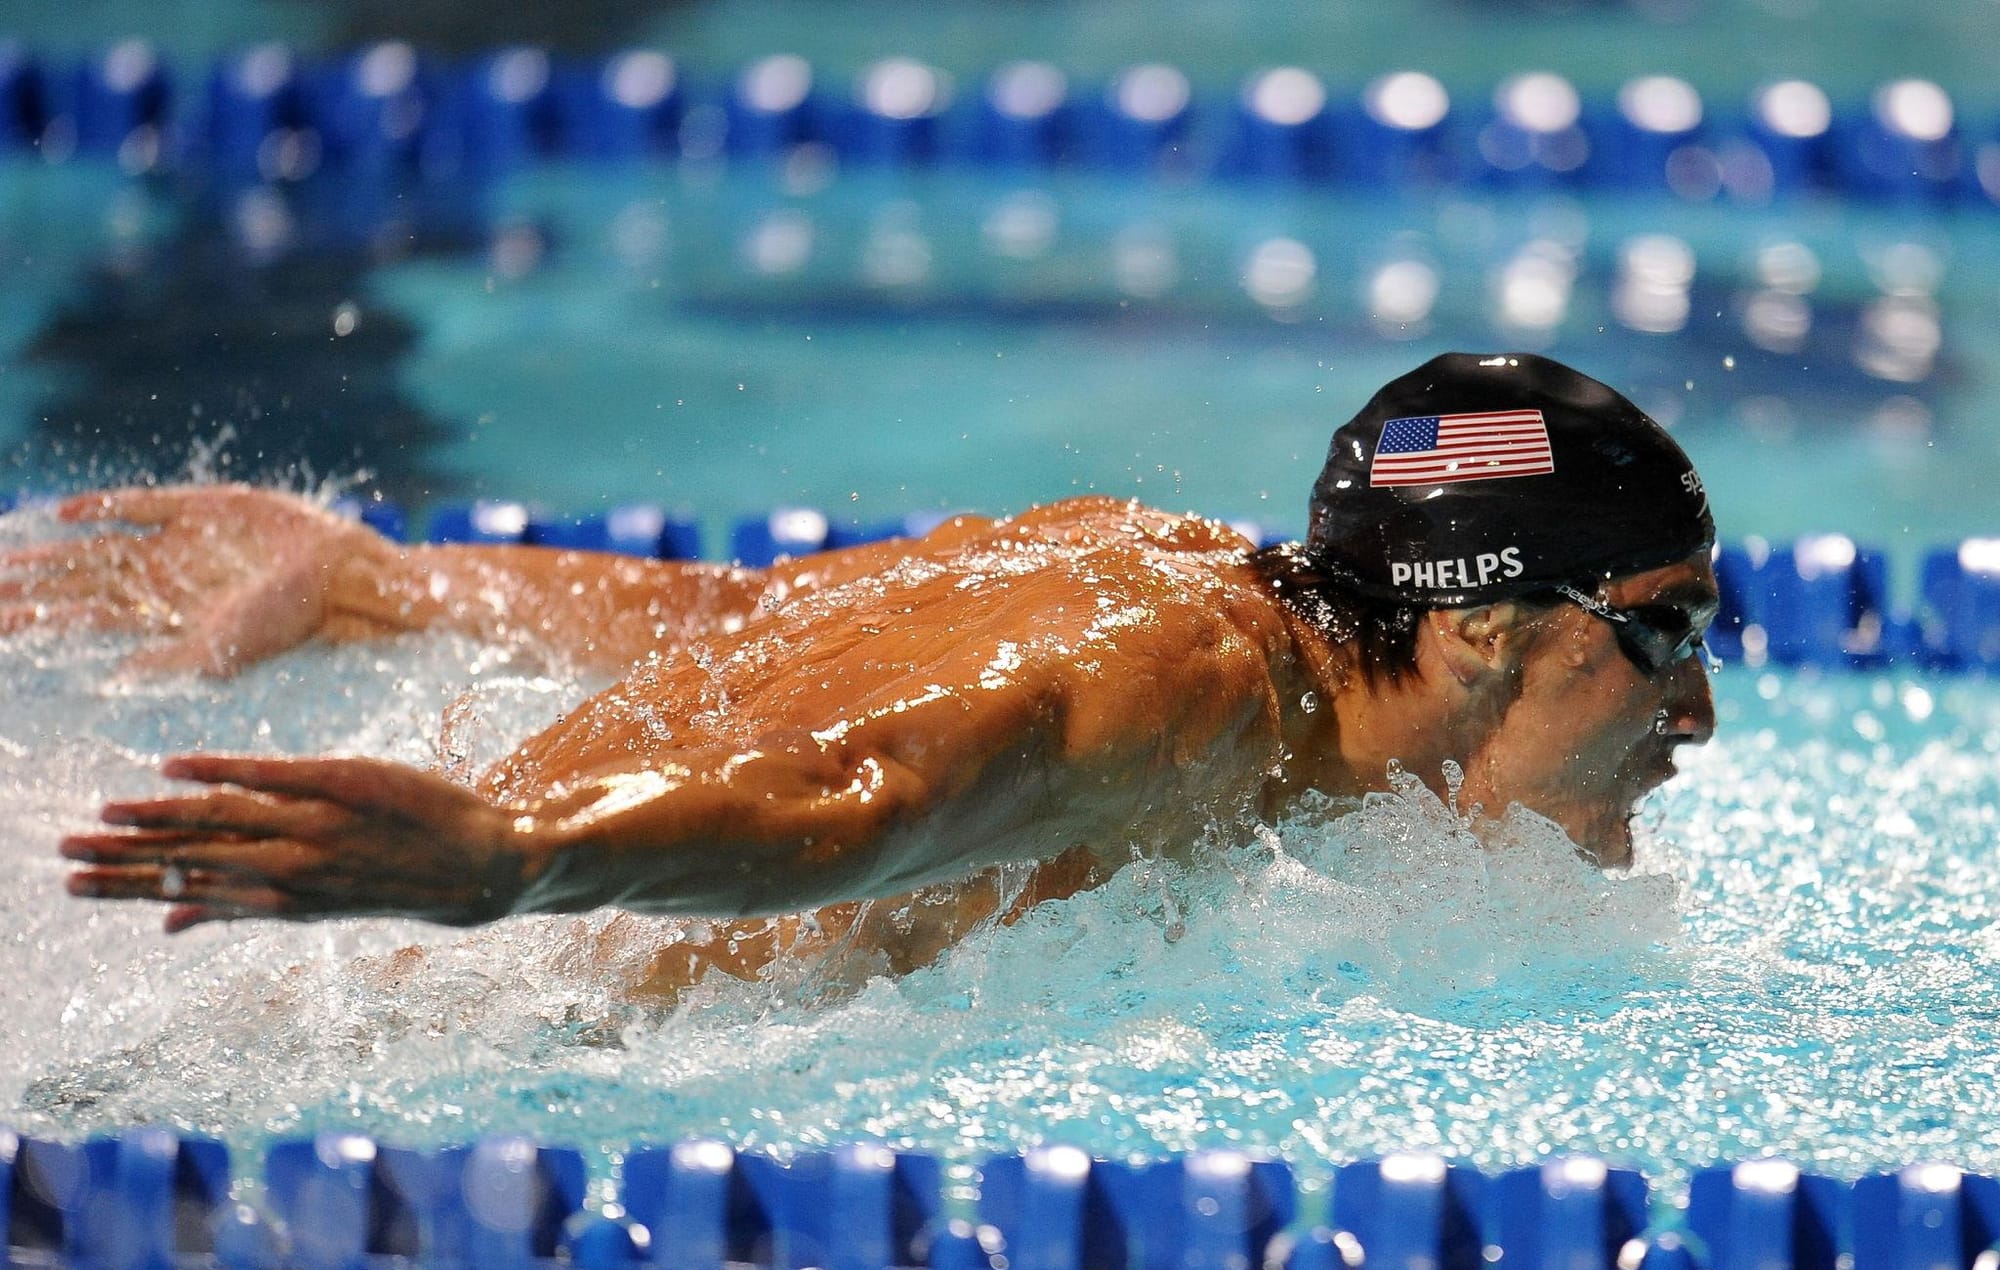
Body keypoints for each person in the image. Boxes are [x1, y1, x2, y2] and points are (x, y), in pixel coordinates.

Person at [12, 352, 1719, 997]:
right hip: (427, 1003)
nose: (1693, 712)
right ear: (1488, 619)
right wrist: (508, 861)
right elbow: (859, 794)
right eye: (1667, 629)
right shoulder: (1192, 687)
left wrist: (389, 589)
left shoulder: (1155, 558)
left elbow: (752, 616)